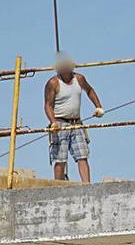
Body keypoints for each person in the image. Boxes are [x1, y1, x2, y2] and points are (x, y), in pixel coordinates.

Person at [44, 52, 103, 182]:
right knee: (60, 157)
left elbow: (90, 90)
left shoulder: (79, 79)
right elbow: (48, 105)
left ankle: (86, 184)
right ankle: (58, 185)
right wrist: (53, 122)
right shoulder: (53, 83)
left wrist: (98, 107)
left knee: (82, 155)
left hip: (76, 122)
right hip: (60, 123)